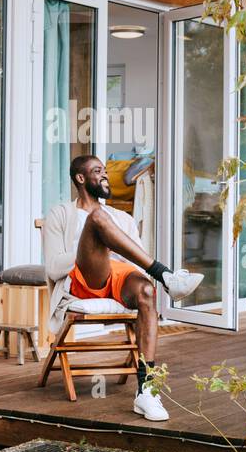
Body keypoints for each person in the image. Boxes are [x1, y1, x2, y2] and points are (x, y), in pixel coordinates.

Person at [42, 153, 203, 421]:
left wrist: (113, 249)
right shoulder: (61, 214)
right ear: (81, 178)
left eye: (105, 170)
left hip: (118, 277)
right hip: (85, 278)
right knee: (97, 219)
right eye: (97, 171)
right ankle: (166, 276)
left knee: (147, 292)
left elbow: (136, 267)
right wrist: (90, 247)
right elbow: (54, 267)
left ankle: (146, 391)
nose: (105, 175)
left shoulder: (122, 218)